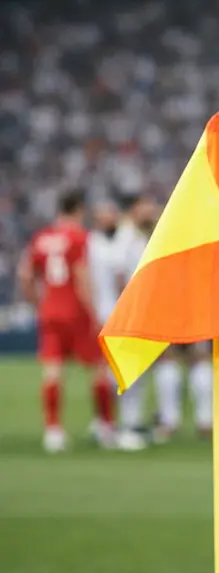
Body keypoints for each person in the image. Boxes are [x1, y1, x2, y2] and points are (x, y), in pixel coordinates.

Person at [17, 190, 113, 453]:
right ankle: (104, 426)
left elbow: (25, 274)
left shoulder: (42, 237)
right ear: (79, 209)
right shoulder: (79, 237)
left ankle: (53, 430)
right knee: (99, 369)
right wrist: (95, 312)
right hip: (77, 311)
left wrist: (38, 303)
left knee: (53, 371)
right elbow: (82, 277)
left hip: (51, 311)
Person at [89, 196, 152, 450]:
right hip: (119, 313)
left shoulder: (100, 240)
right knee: (126, 370)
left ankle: (109, 422)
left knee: (118, 370)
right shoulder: (127, 237)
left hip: (109, 311)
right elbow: (119, 276)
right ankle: (125, 425)